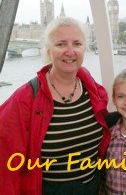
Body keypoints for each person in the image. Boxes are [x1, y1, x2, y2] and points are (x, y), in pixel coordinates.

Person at [0, 17, 111, 195]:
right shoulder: (25, 98)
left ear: (85, 48)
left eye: (77, 44)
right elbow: (5, 161)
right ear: (48, 50)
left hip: (91, 187)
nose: (70, 51)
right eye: (61, 44)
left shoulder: (95, 92)